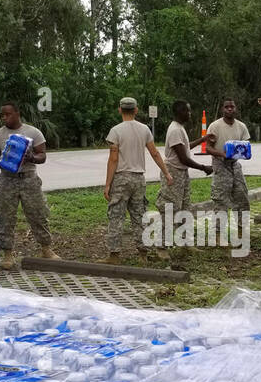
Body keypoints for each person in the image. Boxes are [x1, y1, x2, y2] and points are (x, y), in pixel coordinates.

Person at [0, 101, 57, 271]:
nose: (4, 118)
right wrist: (0, 163)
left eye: (8, 114)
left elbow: (43, 156)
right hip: (7, 180)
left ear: (18, 113)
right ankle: (8, 254)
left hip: (29, 179)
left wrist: (30, 157)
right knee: (4, 217)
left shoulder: (33, 132)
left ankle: (46, 249)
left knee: (38, 214)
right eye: (2, 115)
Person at [104, 97, 172, 263]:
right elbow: (155, 153)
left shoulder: (115, 131)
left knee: (116, 217)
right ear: (136, 110)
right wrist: (167, 173)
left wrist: (107, 184)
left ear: (120, 110)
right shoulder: (145, 130)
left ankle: (114, 255)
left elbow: (113, 159)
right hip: (139, 179)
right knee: (139, 216)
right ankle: (143, 254)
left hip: (121, 178)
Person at [156, 100, 212, 232]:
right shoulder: (175, 130)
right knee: (170, 208)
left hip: (182, 173)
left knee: (185, 207)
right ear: (180, 112)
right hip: (174, 173)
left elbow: (185, 147)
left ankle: (185, 242)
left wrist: (203, 140)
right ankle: (162, 246)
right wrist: (204, 167)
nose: (190, 113)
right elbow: (183, 158)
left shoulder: (179, 128)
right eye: (188, 110)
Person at [205, 98, 252, 218]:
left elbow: (246, 145)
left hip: (235, 164)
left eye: (232, 107)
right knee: (221, 199)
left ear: (235, 109)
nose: (230, 109)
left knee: (242, 196)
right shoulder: (215, 126)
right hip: (220, 164)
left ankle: (242, 230)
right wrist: (222, 154)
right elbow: (208, 148)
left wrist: (244, 153)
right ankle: (219, 233)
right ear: (222, 109)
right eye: (227, 107)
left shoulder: (241, 126)